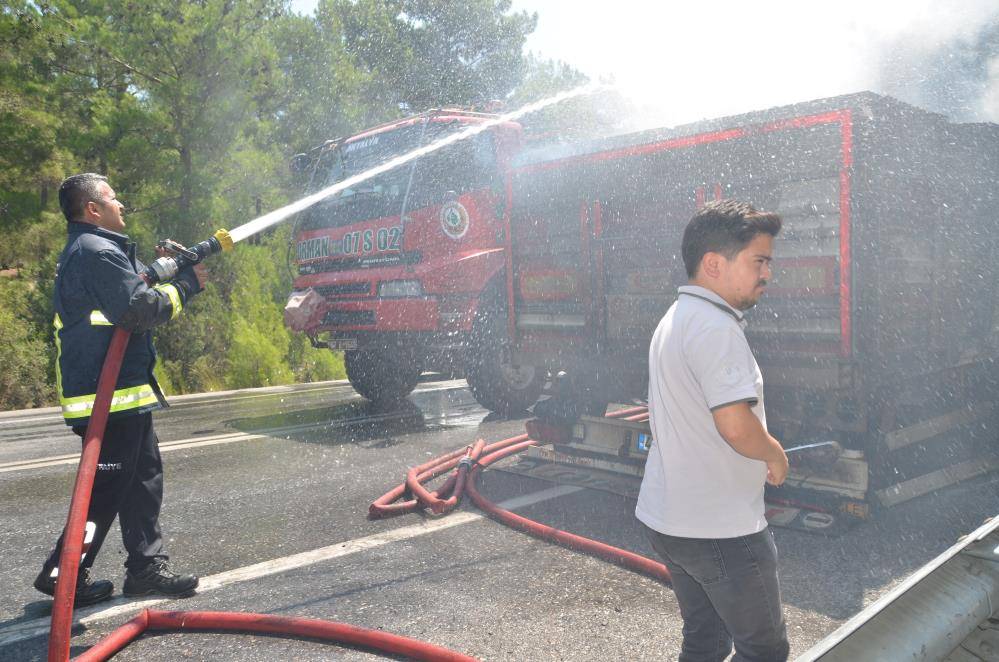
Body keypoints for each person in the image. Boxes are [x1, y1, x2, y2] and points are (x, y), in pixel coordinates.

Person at [34, 173, 204, 606]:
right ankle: (63, 572)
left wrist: (162, 269)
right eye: (113, 199)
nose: (121, 206)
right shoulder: (95, 251)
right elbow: (138, 308)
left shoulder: (93, 250)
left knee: (142, 478)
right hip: (104, 395)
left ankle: (146, 567)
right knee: (106, 486)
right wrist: (187, 285)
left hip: (122, 392)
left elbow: (127, 290)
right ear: (93, 209)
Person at [635, 199, 790, 662]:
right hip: (720, 529)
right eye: (758, 261)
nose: (767, 274)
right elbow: (736, 425)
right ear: (714, 264)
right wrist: (775, 454)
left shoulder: (676, 318)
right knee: (764, 651)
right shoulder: (717, 328)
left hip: (671, 519)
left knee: (705, 640)